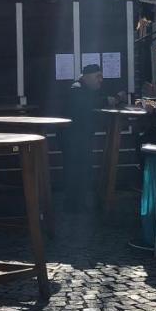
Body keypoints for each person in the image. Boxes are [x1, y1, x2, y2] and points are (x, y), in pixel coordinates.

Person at [64, 63, 106, 211]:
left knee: (82, 169)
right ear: (87, 77)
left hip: (79, 136)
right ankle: (73, 205)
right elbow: (87, 104)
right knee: (77, 170)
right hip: (73, 138)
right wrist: (108, 101)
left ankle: (78, 203)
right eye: (97, 76)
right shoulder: (77, 89)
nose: (100, 80)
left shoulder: (83, 88)